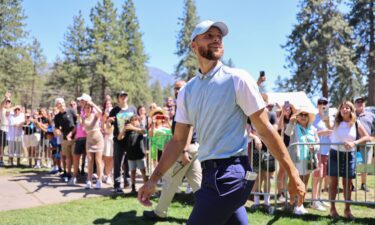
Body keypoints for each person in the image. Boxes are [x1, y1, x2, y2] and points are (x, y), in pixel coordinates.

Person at [138, 20, 305, 225]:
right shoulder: (187, 91)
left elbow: (265, 129)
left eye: (219, 37)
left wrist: (292, 173)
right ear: (193, 45)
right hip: (209, 174)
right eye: (208, 36)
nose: (216, 40)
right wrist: (154, 179)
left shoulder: (238, 79)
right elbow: (178, 140)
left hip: (231, 175)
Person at [143, 80, 202, 221]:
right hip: (192, 149)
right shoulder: (183, 105)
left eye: (180, 88)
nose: (177, 91)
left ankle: (159, 213)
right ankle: (212, 213)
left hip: (186, 150)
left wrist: (184, 151)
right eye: (175, 88)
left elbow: (190, 129)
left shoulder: (187, 104)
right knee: (198, 184)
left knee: (169, 181)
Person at [328, 101, 369, 219]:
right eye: (342, 108)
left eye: (347, 108)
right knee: (333, 183)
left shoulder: (356, 122)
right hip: (334, 154)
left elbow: (367, 137)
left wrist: (354, 143)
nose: (344, 109)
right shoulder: (335, 122)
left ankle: (347, 210)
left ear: (351, 110)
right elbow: (327, 124)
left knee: (347, 184)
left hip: (349, 155)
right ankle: (333, 209)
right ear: (340, 110)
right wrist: (325, 116)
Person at [285, 106, 319, 215]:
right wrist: (291, 122)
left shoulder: (313, 129)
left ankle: (301, 204)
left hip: (309, 159)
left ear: (309, 117)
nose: (303, 117)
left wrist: (315, 147)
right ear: (297, 116)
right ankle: (294, 205)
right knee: (296, 182)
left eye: (306, 115)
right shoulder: (293, 127)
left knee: (305, 182)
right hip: (296, 159)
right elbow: (286, 134)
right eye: (301, 114)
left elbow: (317, 142)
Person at [108, 91, 137, 193]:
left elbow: (136, 123)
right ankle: (117, 185)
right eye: (121, 96)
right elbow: (108, 127)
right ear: (118, 98)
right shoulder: (114, 110)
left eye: (125, 96)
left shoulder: (133, 109)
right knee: (118, 162)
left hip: (130, 139)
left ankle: (127, 181)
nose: (124, 97)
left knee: (129, 162)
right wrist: (108, 122)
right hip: (118, 139)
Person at [311, 97, 332, 211]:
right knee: (316, 176)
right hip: (318, 151)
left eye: (325, 103)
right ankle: (314, 201)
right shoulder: (313, 118)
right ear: (317, 104)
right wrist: (322, 132)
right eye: (320, 103)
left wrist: (328, 122)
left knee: (322, 176)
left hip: (326, 151)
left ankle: (318, 198)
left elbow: (333, 130)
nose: (323, 105)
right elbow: (311, 133)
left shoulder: (329, 117)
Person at [118, 115, 148, 193]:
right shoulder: (127, 131)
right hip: (131, 155)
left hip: (140, 154)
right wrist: (124, 129)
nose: (134, 121)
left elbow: (144, 132)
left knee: (143, 171)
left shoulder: (140, 128)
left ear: (139, 121)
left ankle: (146, 187)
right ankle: (133, 187)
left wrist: (133, 128)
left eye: (136, 120)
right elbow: (119, 138)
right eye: (132, 120)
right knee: (132, 172)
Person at [353, 96, 375, 192]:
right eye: (357, 101)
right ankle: (351, 185)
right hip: (353, 144)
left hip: (367, 144)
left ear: (364, 103)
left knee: (366, 166)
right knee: (352, 165)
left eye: (362, 101)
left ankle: (363, 184)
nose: (360, 103)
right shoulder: (351, 115)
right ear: (354, 104)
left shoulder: (371, 115)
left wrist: (372, 138)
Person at [276, 101, 296, 203]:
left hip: (292, 148)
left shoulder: (294, 119)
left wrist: (293, 107)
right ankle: (280, 192)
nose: (287, 109)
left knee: (289, 171)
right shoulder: (281, 118)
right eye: (286, 108)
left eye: (289, 108)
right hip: (283, 148)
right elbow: (279, 128)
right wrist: (282, 113)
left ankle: (286, 191)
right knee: (282, 170)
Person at [53, 97, 77, 182]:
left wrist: (71, 133)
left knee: (75, 156)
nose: (61, 104)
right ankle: (68, 173)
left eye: (62, 102)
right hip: (65, 138)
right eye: (59, 103)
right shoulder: (57, 117)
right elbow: (56, 128)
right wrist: (57, 131)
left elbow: (77, 124)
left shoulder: (71, 111)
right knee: (67, 157)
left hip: (74, 138)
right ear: (57, 105)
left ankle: (75, 174)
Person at [82, 100, 104, 189]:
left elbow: (100, 112)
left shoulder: (95, 116)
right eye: (86, 108)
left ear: (91, 109)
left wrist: (93, 103)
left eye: (89, 108)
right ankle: (89, 180)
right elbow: (86, 127)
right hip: (89, 140)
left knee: (98, 160)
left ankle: (99, 180)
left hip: (98, 140)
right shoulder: (83, 118)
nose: (87, 109)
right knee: (90, 160)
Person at [0, 92, 12, 166]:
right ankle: (1, 160)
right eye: (7, 102)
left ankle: (2, 159)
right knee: (0, 146)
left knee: (4, 146)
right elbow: (1, 105)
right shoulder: (2, 109)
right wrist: (6, 98)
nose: (7, 103)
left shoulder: (11, 110)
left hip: (8, 130)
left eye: (9, 102)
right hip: (2, 129)